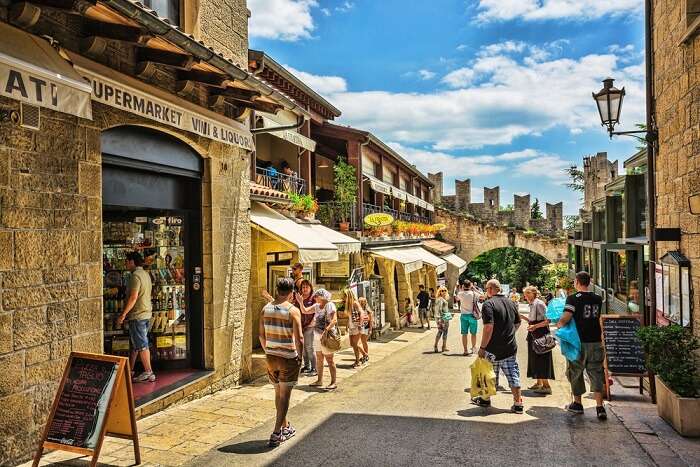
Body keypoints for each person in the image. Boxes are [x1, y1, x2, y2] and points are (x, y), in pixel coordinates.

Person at [259, 277, 304, 447]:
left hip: (271, 356)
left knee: (278, 393)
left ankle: (285, 426)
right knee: (285, 395)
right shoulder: (293, 311)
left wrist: (268, 351)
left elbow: (261, 336)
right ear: (292, 292)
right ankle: (277, 432)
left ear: (277, 290)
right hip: (287, 357)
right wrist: (300, 357)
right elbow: (299, 338)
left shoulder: (265, 309)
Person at [557, 271, 607, 421]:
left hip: (578, 341)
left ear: (577, 282)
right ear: (589, 282)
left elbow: (567, 316)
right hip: (595, 341)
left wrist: (559, 325)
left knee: (575, 371)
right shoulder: (598, 298)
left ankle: (578, 403)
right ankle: (600, 406)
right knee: (596, 372)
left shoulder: (573, 299)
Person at [476, 279, 524, 414]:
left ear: (491, 289)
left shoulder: (488, 304)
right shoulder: (511, 303)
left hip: (492, 349)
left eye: (486, 289)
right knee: (513, 374)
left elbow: (488, 327)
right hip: (509, 347)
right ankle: (518, 403)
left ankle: (485, 399)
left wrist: (482, 347)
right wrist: (509, 335)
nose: (486, 291)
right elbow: (518, 323)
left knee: (488, 374)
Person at [117, 252, 155, 383]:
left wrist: (123, 314)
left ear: (132, 261)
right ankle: (130, 370)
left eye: (127, 261)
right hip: (146, 313)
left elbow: (133, 297)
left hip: (137, 315)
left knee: (142, 345)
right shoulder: (145, 274)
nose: (125, 264)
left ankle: (149, 372)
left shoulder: (135, 276)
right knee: (136, 344)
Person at [296, 288, 338, 390]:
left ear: (322, 297)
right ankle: (319, 381)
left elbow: (334, 320)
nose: (315, 298)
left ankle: (333, 382)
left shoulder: (329, 305)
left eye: (316, 296)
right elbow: (304, 311)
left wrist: (326, 330)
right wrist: (301, 302)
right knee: (319, 358)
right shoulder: (316, 306)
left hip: (327, 336)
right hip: (317, 336)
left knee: (329, 359)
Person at [521, 286, 555, 394]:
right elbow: (533, 321)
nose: (525, 296)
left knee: (541, 358)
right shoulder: (532, 304)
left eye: (527, 293)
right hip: (534, 334)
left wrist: (535, 327)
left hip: (540, 334)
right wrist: (523, 318)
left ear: (533, 293)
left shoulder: (539, 303)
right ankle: (539, 382)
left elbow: (548, 320)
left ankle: (546, 386)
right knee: (534, 358)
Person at [297, 280, 317, 376]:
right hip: (301, 326)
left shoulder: (313, 298)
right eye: (303, 287)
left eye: (306, 287)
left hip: (310, 326)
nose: (304, 289)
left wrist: (312, 323)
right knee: (303, 348)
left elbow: (316, 312)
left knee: (309, 347)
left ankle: (314, 368)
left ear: (310, 288)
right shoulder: (298, 298)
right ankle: (307, 366)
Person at [457, 281, 479, 356]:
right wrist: (474, 289)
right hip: (473, 316)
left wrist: (461, 289)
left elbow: (456, 298)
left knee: (464, 334)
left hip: (463, 316)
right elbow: (483, 296)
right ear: (470, 285)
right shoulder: (473, 294)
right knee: (473, 333)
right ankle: (473, 348)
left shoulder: (460, 294)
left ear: (463, 286)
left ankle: (465, 350)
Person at [348, 296, 369, 368]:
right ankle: (363, 356)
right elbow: (349, 316)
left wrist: (360, 324)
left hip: (356, 326)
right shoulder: (348, 304)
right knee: (352, 344)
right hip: (351, 326)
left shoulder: (355, 303)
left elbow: (362, 313)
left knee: (356, 344)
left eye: (344, 296)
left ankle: (359, 359)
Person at [433, 287, 452, 353]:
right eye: (442, 291)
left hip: (444, 317)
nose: (443, 292)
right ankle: (437, 346)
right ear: (439, 292)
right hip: (442, 318)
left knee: (444, 332)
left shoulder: (443, 299)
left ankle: (443, 346)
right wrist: (442, 316)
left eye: (445, 290)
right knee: (441, 332)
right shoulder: (440, 299)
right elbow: (440, 309)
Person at [357, 297, 373, 364]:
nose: (360, 303)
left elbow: (371, 320)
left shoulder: (368, 310)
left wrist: (370, 329)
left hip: (365, 327)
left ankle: (365, 355)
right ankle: (364, 355)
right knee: (361, 342)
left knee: (363, 342)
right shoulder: (359, 309)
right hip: (361, 327)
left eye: (360, 302)